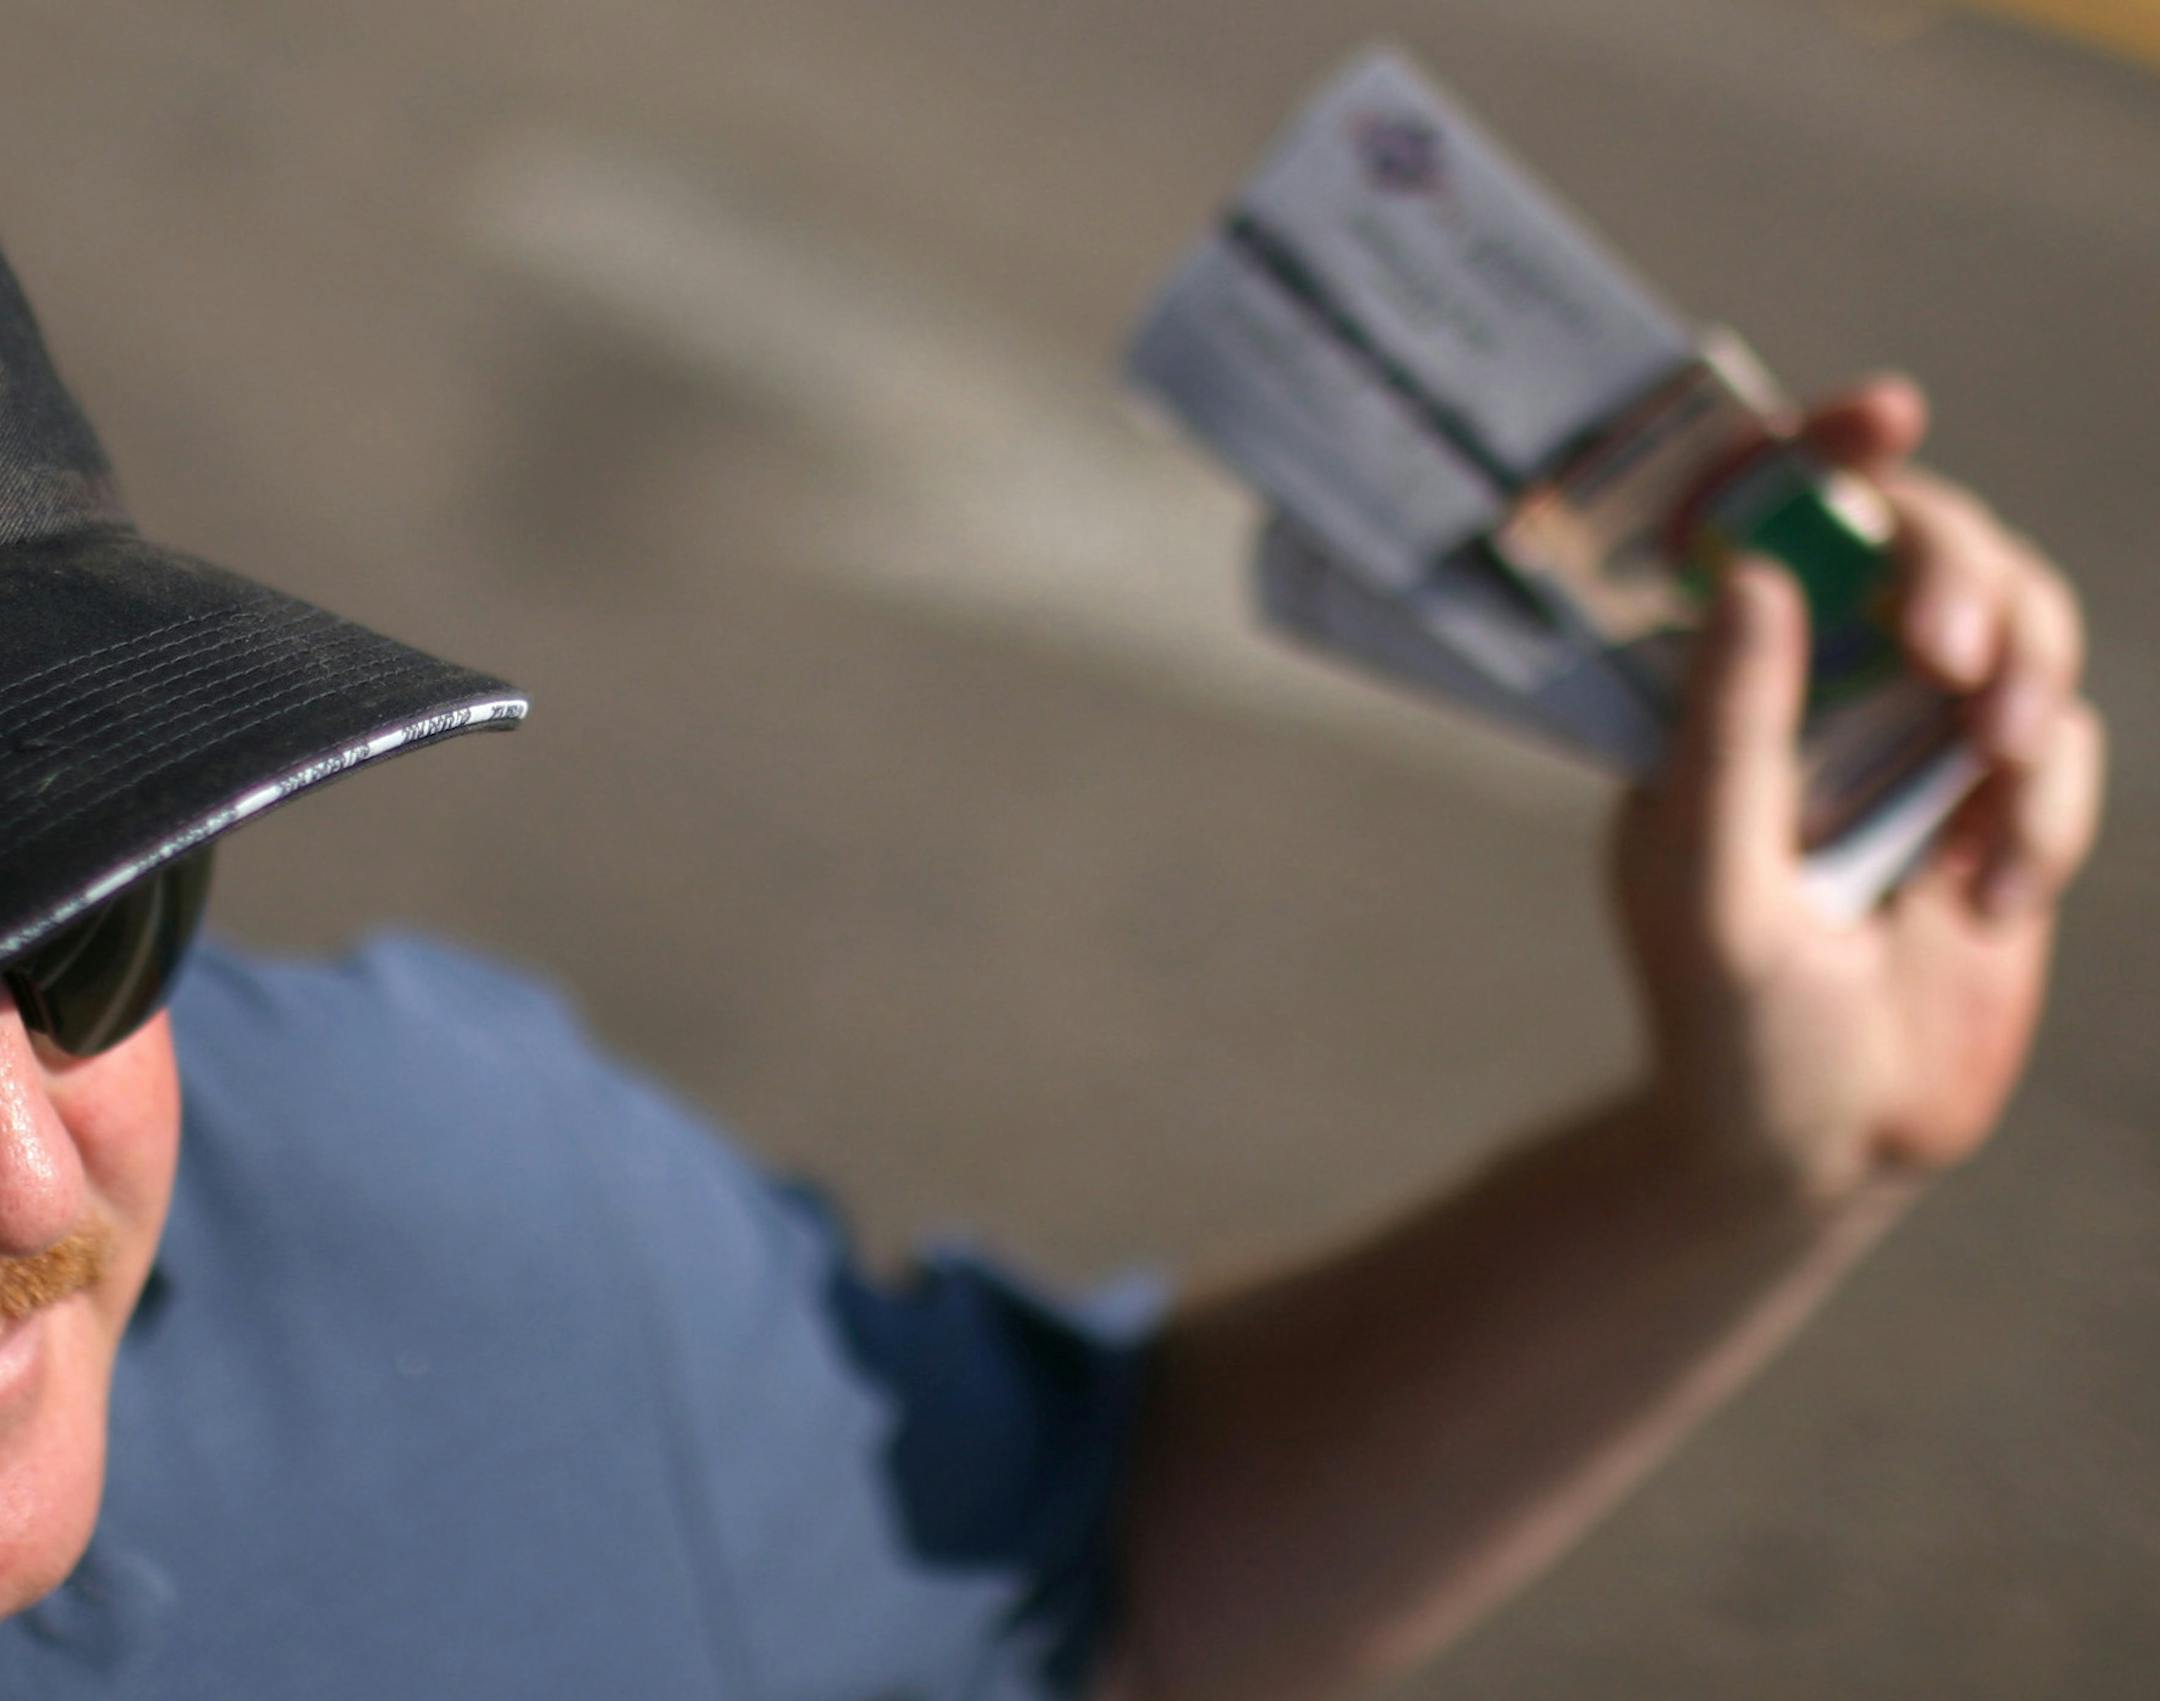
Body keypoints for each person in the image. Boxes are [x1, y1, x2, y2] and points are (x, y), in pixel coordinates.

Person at [0, 235, 2103, 1701]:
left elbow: (1093, 1575)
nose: (27, 1175)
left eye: (76, 894)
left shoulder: (435, 1245)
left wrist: (1748, 1174)